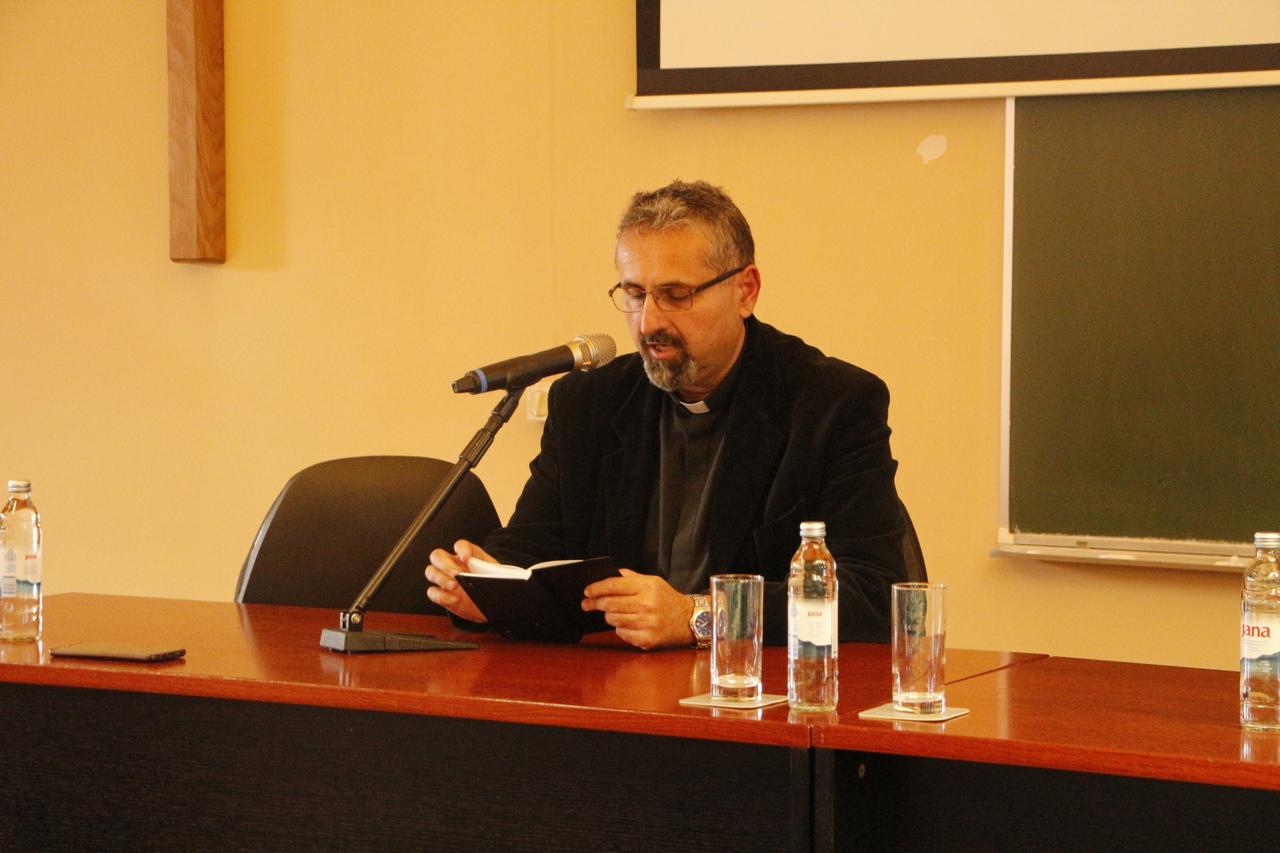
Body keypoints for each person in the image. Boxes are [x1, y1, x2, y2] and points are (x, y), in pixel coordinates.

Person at [426, 180, 907, 649]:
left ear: (745, 290)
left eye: (676, 295)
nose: (649, 322)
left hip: (751, 687)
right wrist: (484, 586)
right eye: (635, 294)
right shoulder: (588, 403)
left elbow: (872, 595)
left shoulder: (834, 403)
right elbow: (532, 549)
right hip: (610, 683)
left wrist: (699, 616)